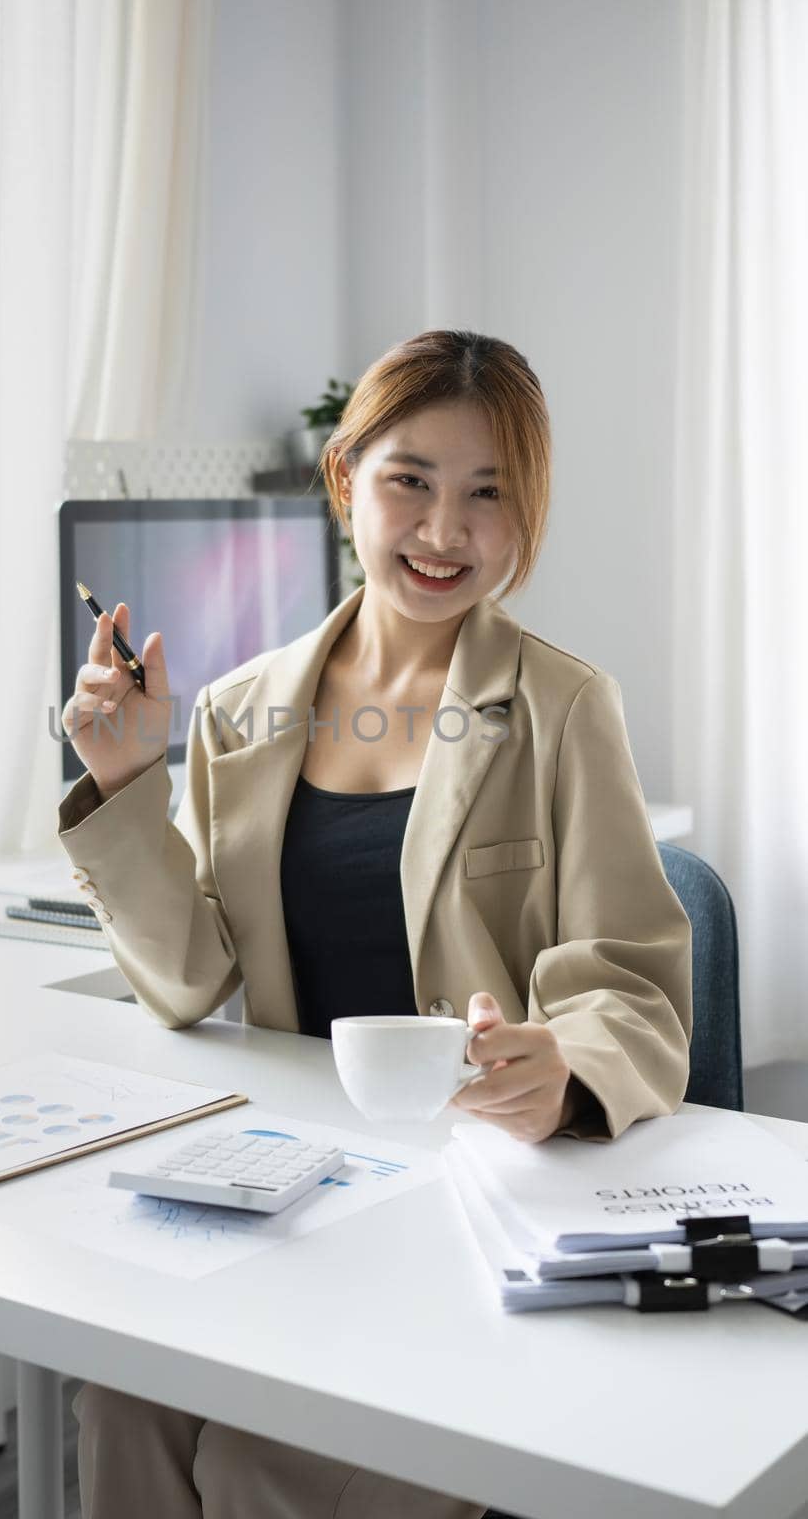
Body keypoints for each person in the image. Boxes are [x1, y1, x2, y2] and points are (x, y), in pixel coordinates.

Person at [58, 330, 692, 1519]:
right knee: (120, 1399)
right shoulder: (241, 710)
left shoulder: (562, 706)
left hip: (477, 1190)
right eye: (411, 481)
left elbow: (632, 984)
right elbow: (191, 979)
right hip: (300, 1179)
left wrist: (564, 1063)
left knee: (259, 1468)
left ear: (525, 514)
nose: (443, 532)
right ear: (347, 478)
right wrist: (122, 783)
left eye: (487, 493)